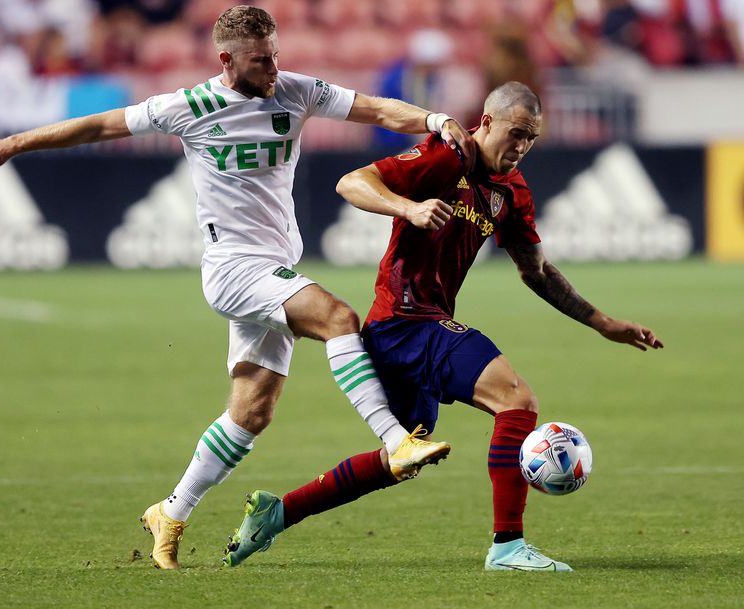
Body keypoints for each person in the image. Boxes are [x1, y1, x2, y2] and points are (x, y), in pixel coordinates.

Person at [0, 5, 479, 570]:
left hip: (273, 268)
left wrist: (433, 120)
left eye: (276, 54)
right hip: (234, 268)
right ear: (227, 59)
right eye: (261, 60)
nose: (274, 67)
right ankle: (395, 439)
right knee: (337, 317)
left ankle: (171, 510)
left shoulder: (295, 91)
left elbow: (375, 107)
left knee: (252, 412)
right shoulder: (190, 107)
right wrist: (12, 144)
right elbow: (100, 125)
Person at [223, 81, 664, 572]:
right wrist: (407, 207)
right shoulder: (445, 157)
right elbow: (351, 182)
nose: (521, 147)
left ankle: (277, 513)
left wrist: (603, 323)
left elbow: (535, 271)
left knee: (405, 453)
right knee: (516, 400)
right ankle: (508, 546)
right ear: (487, 122)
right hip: (403, 323)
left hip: (418, 326)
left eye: (532, 138)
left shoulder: (512, 192)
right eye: (516, 133)